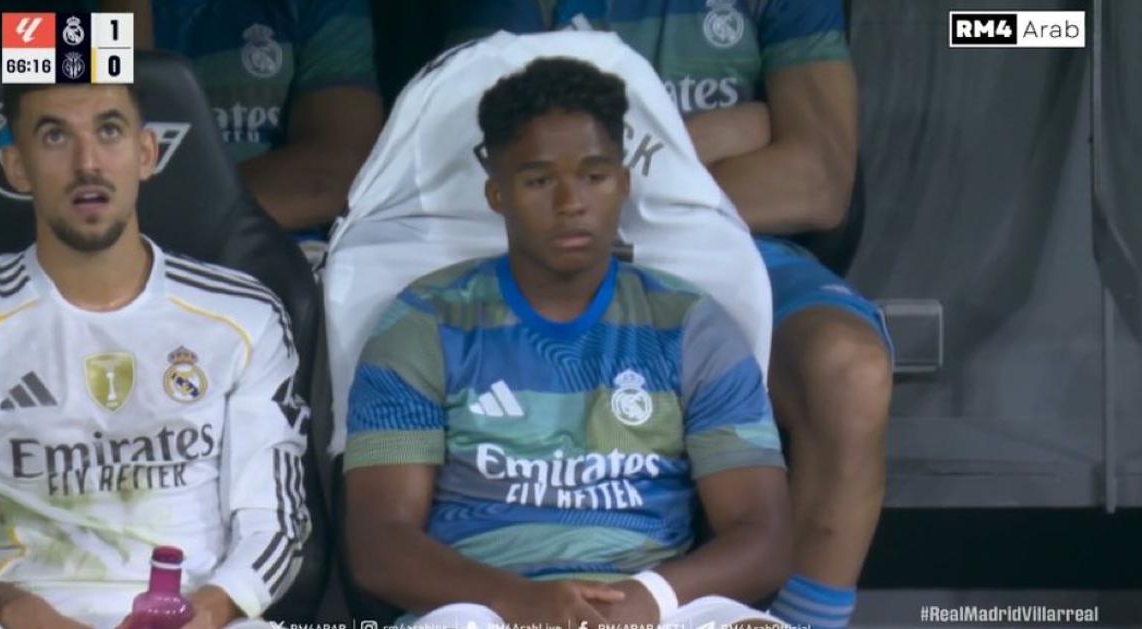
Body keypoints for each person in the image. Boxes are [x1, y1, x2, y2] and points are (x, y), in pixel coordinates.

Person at [441, 3, 893, 626]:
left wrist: (627, 171)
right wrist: (726, 133)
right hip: (543, 248)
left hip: (739, 240)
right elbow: (499, 152)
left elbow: (816, 182)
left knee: (850, 370)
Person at [343, 57, 791, 628]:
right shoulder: (422, 322)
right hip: (482, 608)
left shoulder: (692, 325)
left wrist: (646, 599)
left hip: (656, 601)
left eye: (594, 176)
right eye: (537, 181)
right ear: (497, 194)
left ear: (623, 183)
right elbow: (379, 544)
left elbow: (765, 535)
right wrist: (520, 602)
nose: (570, 203)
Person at [0, 81, 308, 629]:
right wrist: (9, 607)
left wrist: (208, 610)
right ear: (17, 167)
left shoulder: (243, 316)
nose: (87, 163)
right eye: (55, 136)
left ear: (146, 153)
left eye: (109, 131)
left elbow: (274, 523)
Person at [99, 0, 384, 260]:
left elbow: (335, 173)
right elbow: (106, 130)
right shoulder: (83, 13)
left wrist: (158, 215)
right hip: (112, 261)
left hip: (271, 260)